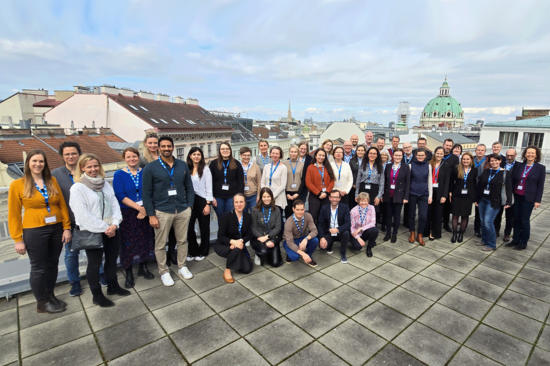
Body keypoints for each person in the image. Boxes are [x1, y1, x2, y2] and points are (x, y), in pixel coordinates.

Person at [9, 149, 72, 313]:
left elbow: (62, 205)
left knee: (52, 264)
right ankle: (42, 302)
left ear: (45, 164)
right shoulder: (17, 185)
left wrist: (66, 227)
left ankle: (50, 296)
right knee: (38, 267)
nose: (38, 164)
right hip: (34, 230)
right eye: (34, 161)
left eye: (41, 161)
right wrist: (17, 238)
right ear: (28, 163)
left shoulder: (52, 180)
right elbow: (14, 214)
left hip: (56, 228)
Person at [70, 154, 130, 307]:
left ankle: (113, 287)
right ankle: (97, 295)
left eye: (95, 166)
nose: (93, 169)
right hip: (93, 231)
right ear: (82, 168)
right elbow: (83, 215)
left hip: (112, 228)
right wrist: (106, 228)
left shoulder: (104, 184)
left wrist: (115, 224)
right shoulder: (78, 188)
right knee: (94, 264)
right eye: (89, 166)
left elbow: (114, 204)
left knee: (111, 260)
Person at [52, 141, 107, 296]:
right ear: (62, 156)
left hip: (92, 220)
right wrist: (65, 227)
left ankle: (99, 273)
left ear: (79, 154)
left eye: (74, 153)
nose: (71, 156)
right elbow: (57, 201)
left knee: (95, 249)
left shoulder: (88, 171)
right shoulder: (56, 175)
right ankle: (74, 281)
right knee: (71, 254)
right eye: (67, 154)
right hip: (70, 222)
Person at [142, 136, 195, 286]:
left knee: (182, 240)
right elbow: (146, 194)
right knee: (160, 244)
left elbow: (189, 187)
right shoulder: (150, 168)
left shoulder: (182, 165)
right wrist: (151, 215)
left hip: (182, 209)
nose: (166, 148)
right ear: (159, 148)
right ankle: (164, 271)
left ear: (173, 147)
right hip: (162, 210)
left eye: (169, 146)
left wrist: (189, 206)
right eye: (163, 146)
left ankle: (182, 266)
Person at [113, 147, 155, 289]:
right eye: (129, 157)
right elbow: (120, 195)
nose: (132, 159)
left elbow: (151, 191)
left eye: (134, 156)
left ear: (139, 157)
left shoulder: (146, 172)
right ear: (124, 158)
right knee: (128, 243)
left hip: (146, 210)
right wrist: (139, 208)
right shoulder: (119, 174)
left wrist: (145, 210)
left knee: (145, 240)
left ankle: (143, 267)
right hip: (128, 213)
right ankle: (129, 272)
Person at [507, 146, 545, 250]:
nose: (530, 155)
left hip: (528, 198)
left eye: (532, 153)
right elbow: (514, 179)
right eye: (528, 153)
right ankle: (515, 239)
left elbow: (540, 186)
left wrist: (538, 200)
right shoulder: (520, 165)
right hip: (517, 195)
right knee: (516, 219)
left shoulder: (540, 168)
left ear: (536, 155)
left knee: (524, 220)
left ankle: (523, 242)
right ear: (525, 154)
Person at [474, 154, 512, 251]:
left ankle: (491, 244)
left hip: (495, 201)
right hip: (483, 199)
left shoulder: (505, 173)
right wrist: (476, 199)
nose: (493, 162)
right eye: (491, 161)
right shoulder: (487, 171)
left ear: (500, 161)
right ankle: (484, 239)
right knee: (482, 221)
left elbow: (508, 188)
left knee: (488, 222)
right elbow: (480, 186)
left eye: (496, 160)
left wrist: (508, 202)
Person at [214, 194, 253, 282]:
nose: (239, 204)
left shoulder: (248, 217)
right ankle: (227, 271)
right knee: (235, 249)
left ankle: (237, 258)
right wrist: (233, 242)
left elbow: (249, 235)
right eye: (236, 202)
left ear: (245, 203)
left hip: (239, 244)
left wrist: (240, 241)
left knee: (247, 269)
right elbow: (221, 236)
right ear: (233, 204)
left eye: (241, 202)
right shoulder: (226, 216)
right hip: (224, 244)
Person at [186, 147, 213, 261]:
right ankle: (192, 250)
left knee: (204, 227)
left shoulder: (206, 170)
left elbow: (209, 188)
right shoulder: (186, 169)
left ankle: (203, 251)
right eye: (194, 154)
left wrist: (208, 204)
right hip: (189, 201)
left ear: (201, 156)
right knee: (188, 227)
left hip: (202, 200)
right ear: (190, 156)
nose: (196, 156)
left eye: (198, 154)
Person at [209, 143, 245, 219]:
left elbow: (241, 182)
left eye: (227, 149)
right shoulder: (213, 164)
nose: (225, 150)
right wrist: (211, 197)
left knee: (231, 218)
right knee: (221, 219)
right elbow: (209, 182)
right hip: (218, 197)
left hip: (232, 197)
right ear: (219, 151)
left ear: (230, 150)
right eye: (222, 149)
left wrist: (239, 197)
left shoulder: (236, 163)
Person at [449, 152, 478, 243]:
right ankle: (454, 234)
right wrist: (450, 192)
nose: (465, 161)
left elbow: (474, 184)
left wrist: (474, 197)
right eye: (464, 159)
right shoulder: (456, 169)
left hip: (468, 197)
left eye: (467, 159)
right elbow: (451, 181)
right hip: (457, 195)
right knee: (455, 216)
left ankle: (461, 234)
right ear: (461, 160)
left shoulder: (474, 170)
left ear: (471, 160)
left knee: (465, 216)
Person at [382, 149, 410, 243]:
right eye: (396, 155)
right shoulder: (388, 166)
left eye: (400, 155)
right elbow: (385, 181)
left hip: (399, 195)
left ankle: (394, 234)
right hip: (388, 194)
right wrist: (382, 194)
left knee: (397, 216)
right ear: (393, 156)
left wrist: (406, 197)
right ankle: (388, 233)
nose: (398, 157)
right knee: (388, 215)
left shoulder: (405, 167)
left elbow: (408, 183)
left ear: (402, 157)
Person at [250, 188, 283, 267]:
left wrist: (268, 238)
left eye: (268, 196)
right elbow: (254, 229)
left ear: (271, 197)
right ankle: (259, 253)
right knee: (263, 251)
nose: (266, 199)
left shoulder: (277, 210)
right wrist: (264, 240)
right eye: (264, 197)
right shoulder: (255, 210)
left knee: (276, 263)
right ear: (261, 198)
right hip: (259, 238)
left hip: (272, 237)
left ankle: (270, 252)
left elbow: (278, 228)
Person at [424, 147, 451, 240]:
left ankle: (434, 232)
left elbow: (447, 182)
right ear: (434, 153)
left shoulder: (446, 166)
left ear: (443, 155)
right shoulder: (429, 163)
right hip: (429, 191)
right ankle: (426, 231)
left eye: (441, 154)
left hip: (440, 192)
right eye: (437, 153)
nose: (439, 155)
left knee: (437, 214)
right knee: (428, 213)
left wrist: (444, 195)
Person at [407, 148, 433, 246]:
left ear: (425, 156)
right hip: (412, 193)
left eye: (422, 155)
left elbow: (430, 181)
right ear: (416, 156)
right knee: (411, 215)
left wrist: (430, 195)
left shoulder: (428, 166)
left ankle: (420, 234)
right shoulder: (410, 165)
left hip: (424, 194)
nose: (421, 157)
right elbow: (408, 181)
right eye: (419, 155)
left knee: (423, 216)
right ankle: (412, 233)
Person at [317, 190, 351, 263]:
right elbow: (320, 224)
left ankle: (343, 253)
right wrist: (322, 238)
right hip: (329, 232)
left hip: (340, 232)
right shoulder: (324, 208)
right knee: (322, 247)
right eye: (332, 197)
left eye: (336, 197)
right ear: (329, 198)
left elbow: (348, 224)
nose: (334, 199)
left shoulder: (345, 207)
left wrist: (338, 229)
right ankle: (329, 245)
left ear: (339, 198)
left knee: (346, 233)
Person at [283, 200, 319, 267]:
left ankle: (308, 256)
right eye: (297, 210)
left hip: (302, 238)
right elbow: (290, 242)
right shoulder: (289, 222)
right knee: (294, 257)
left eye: (302, 209)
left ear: (304, 209)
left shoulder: (308, 216)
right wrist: (303, 253)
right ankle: (290, 254)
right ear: (293, 209)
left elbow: (314, 231)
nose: (300, 212)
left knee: (315, 240)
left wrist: (306, 239)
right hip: (290, 241)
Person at [356, 147, 384, 225]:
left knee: (373, 210)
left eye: (374, 153)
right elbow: (358, 180)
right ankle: (362, 228)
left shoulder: (380, 166)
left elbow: (382, 182)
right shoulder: (363, 165)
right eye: (371, 153)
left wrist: (379, 196)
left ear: (377, 155)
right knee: (362, 209)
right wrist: (356, 194)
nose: (372, 155)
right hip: (363, 189)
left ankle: (372, 229)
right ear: (367, 154)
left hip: (374, 190)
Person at [305, 149, 335, 222]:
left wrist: (326, 192)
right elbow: (308, 182)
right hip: (314, 195)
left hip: (326, 195)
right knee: (313, 215)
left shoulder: (328, 167)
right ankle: (312, 232)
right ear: (315, 156)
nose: (321, 157)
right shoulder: (310, 167)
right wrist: (318, 193)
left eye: (323, 155)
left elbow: (332, 181)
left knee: (325, 216)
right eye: (319, 155)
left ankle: (323, 232)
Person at [261, 146, 287, 224]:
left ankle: (279, 236)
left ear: (280, 155)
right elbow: (262, 182)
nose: (274, 155)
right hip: (266, 198)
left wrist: (271, 196)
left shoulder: (283, 168)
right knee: (268, 220)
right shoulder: (266, 166)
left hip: (278, 198)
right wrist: (266, 194)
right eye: (273, 153)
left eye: (277, 153)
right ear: (270, 154)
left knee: (278, 221)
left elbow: (283, 185)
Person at [496, 149, 518, 242]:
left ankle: (507, 233)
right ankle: (496, 230)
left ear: (515, 155)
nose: (509, 157)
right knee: (497, 213)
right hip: (498, 192)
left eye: (511, 155)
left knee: (510, 215)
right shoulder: (501, 164)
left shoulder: (519, 166)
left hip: (511, 193)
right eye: (508, 155)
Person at [350, 192, 379, 258]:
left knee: (375, 230)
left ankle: (369, 247)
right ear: (358, 201)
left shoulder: (371, 208)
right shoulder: (353, 211)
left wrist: (361, 228)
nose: (363, 203)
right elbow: (352, 227)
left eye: (365, 201)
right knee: (357, 247)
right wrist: (358, 238)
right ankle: (357, 241)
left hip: (365, 231)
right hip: (357, 233)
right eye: (361, 201)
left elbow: (372, 223)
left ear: (368, 201)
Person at [442, 138, 460, 232]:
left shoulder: (455, 158)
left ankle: (446, 223)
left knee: (447, 206)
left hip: (449, 184)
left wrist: (451, 189)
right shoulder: (438, 155)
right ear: (443, 145)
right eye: (446, 145)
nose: (448, 147)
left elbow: (455, 173)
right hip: (437, 184)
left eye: (450, 145)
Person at [283, 146, 306, 219]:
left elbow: (303, 181)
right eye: (292, 152)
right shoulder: (284, 164)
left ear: (298, 153)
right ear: (289, 152)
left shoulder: (302, 164)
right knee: (288, 214)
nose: (293, 153)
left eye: (295, 152)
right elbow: (282, 180)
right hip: (287, 193)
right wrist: (286, 194)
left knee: (298, 214)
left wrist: (297, 193)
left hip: (298, 193)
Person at [473, 144, 489, 237]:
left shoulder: (488, 161)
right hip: (471, 185)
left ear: (485, 151)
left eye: (482, 150)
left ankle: (478, 229)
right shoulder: (471, 159)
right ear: (475, 151)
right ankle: (475, 228)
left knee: (479, 208)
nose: (480, 151)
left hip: (482, 187)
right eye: (478, 150)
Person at [239, 146, 262, 213]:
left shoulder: (255, 166)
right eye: (244, 155)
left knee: (254, 215)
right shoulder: (237, 166)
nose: (246, 157)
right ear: (240, 155)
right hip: (242, 196)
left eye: (248, 155)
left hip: (253, 196)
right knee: (243, 216)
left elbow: (259, 182)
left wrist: (258, 196)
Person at [349, 145, 366, 211]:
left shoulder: (367, 161)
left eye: (362, 150)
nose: (360, 152)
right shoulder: (352, 161)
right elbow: (350, 174)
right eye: (358, 150)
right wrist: (353, 183)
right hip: (354, 186)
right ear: (356, 151)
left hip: (364, 185)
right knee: (354, 203)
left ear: (365, 151)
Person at [401, 142, 414, 227]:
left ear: (411, 147)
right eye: (405, 148)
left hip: (412, 182)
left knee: (410, 204)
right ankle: (404, 221)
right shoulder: (401, 158)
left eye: (408, 147)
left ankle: (409, 222)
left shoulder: (416, 158)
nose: (407, 149)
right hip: (402, 183)